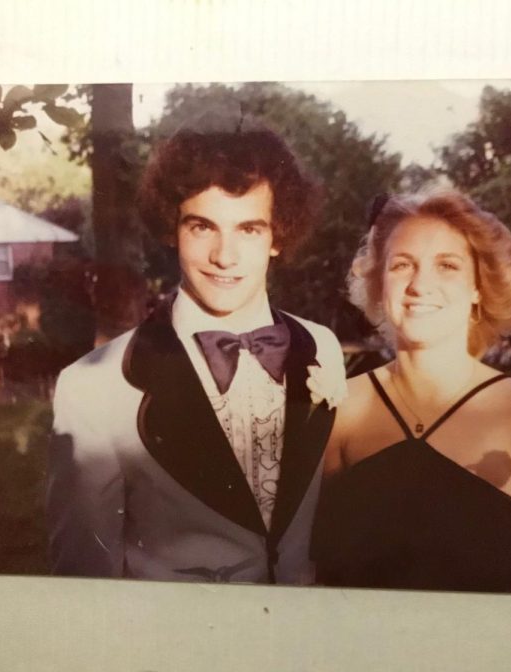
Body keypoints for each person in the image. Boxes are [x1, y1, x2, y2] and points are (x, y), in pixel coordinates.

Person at [46, 119, 345, 584]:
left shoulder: (322, 347)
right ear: (172, 228)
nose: (225, 256)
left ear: (278, 237)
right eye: (203, 227)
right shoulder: (92, 386)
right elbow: (85, 575)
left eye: (249, 229)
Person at [311, 190, 511, 594]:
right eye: (402, 265)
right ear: (379, 282)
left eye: (447, 266)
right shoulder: (338, 408)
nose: (420, 285)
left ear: (478, 288)